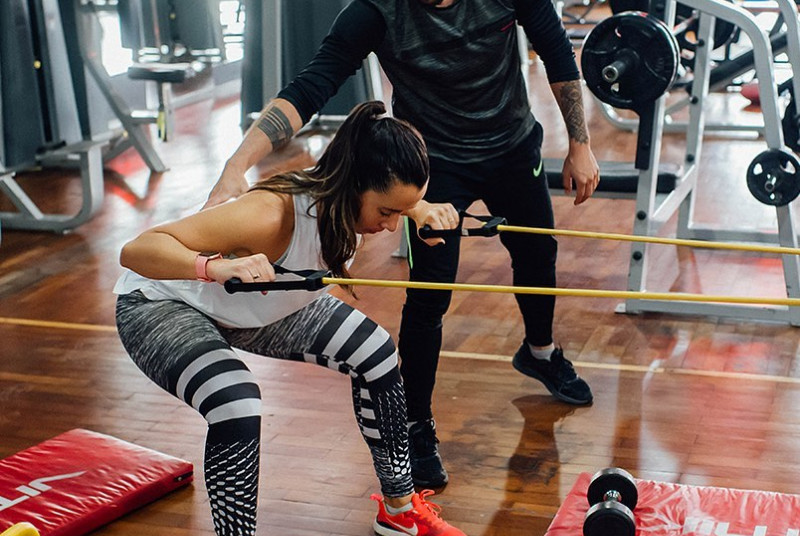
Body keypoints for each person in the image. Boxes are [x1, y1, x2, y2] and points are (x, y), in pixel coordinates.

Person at [206, 0, 601, 490]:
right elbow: (311, 86)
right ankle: (416, 423)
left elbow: (557, 51)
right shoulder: (377, 11)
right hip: (431, 169)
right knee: (430, 295)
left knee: (538, 254)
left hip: (514, 147)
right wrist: (236, 165)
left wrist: (580, 143)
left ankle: (540, 352)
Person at [113, 101, 467, 536]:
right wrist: (214, 267)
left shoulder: (351, 196)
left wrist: (420, 209)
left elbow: (395, 200)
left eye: (400, 212)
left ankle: (399, 510)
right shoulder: (269, 213)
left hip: (255, 309)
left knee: (376, 353)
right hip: (162, 303)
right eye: (386, 212)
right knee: (236, 401)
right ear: (354, 185)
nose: (393, 226)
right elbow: (137, 250)